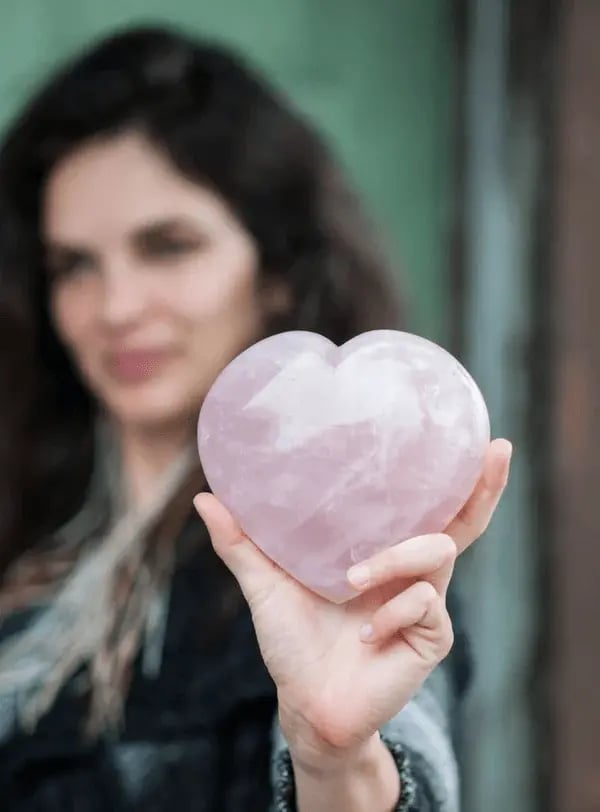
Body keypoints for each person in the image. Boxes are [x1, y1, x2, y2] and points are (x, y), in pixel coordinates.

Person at [0, 24, 511, 812]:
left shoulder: (353, 558)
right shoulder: (26, 529)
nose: (116, 307)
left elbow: (403, 770)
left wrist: (336, 758)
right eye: (74, 265)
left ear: (276, 270)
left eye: (167, 246)